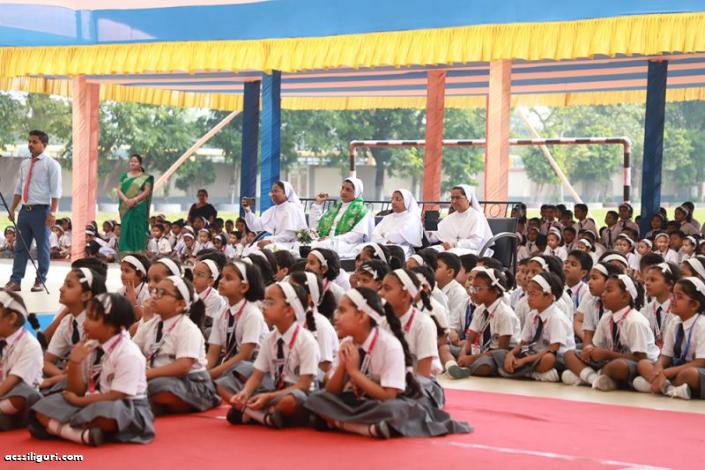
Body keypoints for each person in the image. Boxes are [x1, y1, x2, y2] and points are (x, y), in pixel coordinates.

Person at [303, 287, 471, 438]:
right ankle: (365, 427)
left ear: (361, 316)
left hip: (388, 401)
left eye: (342, 311)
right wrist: (342, 367)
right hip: (362, 401)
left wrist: (354, 373)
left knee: (395, 410)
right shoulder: (348, 343)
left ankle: (343, 423)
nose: (336, 316)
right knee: (316, 398)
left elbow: (389, 396)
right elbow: (331, 391)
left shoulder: (389, 345)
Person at [29, 294, 155, 445]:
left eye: (92, 318)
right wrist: (75, 363)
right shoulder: (89, 345)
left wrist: (79, 401)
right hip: (92, 400)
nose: (85, 323)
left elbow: (116, 395)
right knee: (42, 408)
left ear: (113, 326)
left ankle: (65, 429)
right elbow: (76, 390)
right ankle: (81, 434)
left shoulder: (128, 353)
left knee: (108, 414)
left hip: (124, 404)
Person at [226, 282, 319, 429]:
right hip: (275, 390)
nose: (264, 306)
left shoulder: (306, 341)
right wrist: (245, 393)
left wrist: (268, 397)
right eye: (264, 301)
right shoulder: (270, 338)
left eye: (270, 302)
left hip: (299, 394)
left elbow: (304, 385)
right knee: (224, 384)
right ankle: (268, 415)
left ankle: (255, 414)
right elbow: (256, 376)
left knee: (290, 401)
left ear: (289, 310)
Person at [132, 276, 220, 415]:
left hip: (191, 381)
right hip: (157, 377)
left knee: (160, 387)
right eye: (155, 291)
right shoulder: (151, 325)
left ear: (180, 304)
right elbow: (132, 351)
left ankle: (202, 399)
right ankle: (154, 405)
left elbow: (182, 367)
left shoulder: (187, 328)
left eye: (161, 293)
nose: (154, 296)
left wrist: (147, 374)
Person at [6, 130, 62, 292]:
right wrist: (12, 209)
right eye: (29, 141)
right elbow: (19, 189)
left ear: (44, 145)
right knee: (20, 247)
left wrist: (53, 213)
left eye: (35, 142)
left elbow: (56, 191)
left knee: (42, 246)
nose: (30, 144)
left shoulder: (51, 164)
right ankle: (15, 280)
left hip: (42, 211)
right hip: (24, 211)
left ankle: (40, 279)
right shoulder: (24, 164)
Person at [495, 272, 575, 383]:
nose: (529, 298)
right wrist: (511, 354)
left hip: (556, 357)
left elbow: (553, 349)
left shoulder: (556, 318)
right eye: (528, 294)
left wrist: (524, 360)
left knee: (548, 359)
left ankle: (527, 372)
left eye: (534, 295)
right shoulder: (532, 315)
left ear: (549, 296)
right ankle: (533, 373)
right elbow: (523, 343)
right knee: (500, 353)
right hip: (533, 354)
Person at [633, 277, 705, 399]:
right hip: (676, 369)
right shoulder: (674, 323)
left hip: (696, 369)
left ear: (694, 305)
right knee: (643, 364)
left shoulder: (702, 325)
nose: (672, 299)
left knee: (690, 374)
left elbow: (701, 362)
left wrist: (669, 372)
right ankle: (669, 388)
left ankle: (657, 385)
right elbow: (666, 356)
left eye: (679, 297)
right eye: (673, 295)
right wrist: (659, 366)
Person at [41, 268, 107, 395]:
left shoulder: (99, 326)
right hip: (73, 374)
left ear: (86, 295)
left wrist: (60, 379)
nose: (61, 289)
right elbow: (47, 361)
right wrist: (63, 376)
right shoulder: (68, 322)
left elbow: (95, 373)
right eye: (64, 284)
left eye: (69, 285)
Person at [208, 261, 268, 403]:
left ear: (243, 287)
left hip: (252, 364)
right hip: (230, 364)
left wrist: (211, 374)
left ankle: (239, 401)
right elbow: (213, 353)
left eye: (228, 278)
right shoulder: (222, 312)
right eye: (222, 277)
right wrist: (203, 372)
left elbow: (245, 355)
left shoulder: (252, 313)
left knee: (240, 370)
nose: (221, 281)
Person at [446, 267, 519, 378]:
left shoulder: (505, 314)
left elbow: (501, 350)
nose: (473, 292)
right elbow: (469, 340)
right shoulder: (480, 309)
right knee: (444, 348)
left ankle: (460, 366)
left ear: (495, 291)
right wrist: (463, 354)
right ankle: (455, 366)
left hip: (495, 355)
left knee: (485, 366)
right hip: (480, 351)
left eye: (478, 289)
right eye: (473, 288)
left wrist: (471, 358)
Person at [0, 290, 43, 431]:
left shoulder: (30, 345)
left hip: (13, 398)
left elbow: (13, 381)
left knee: (25, 394)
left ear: (12, 318)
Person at [310, 178, 374, 258]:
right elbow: (315, 227)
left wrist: (332, 239)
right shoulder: (335, 208)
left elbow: (356, 235)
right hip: (326, 241)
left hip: (348, 244)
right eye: (342, 188)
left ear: (356, 192)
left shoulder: (362, 211)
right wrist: (318, 203)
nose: (343, 192)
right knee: (304, 244)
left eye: (348, 190)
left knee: (322, 246)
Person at [242, 181, 307, 250]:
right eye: (272, 192)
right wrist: (247, 210)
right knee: (251, 249)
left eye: (276, 191)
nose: (272, 194)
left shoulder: (292, 208)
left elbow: (289, 235)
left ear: (285, 193)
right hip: (275, 242)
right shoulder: (272, 210)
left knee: (264, 249)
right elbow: (253, 226)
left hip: (290, 245)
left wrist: (270, 240)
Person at [431, 185, 493, 255]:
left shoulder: (477, 217)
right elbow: (433, 237)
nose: (454, 201)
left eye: (458, 198)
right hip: (450, 249)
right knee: (428, 251)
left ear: (468, 199)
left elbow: (476, 242)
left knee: (448, 254)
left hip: (472, 252)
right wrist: (428, 225)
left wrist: (455, 244)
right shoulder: (450, 217)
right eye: (452, 198)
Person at [117, 154, 153, 255]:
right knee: (126, 227)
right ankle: (125, 252)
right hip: (126, 207)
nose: (133, 163)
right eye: (131, 161)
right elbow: (119, 190)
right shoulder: (123, 176)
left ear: (140, 164)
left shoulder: (145, 177)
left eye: (135, 161)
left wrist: (135, 200)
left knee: (138, 228)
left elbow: (146, 191)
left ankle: (138, 251)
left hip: (138, 207)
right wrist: (126, 200)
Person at [371, 189, 423, 258]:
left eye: (398, 199)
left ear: (406, 201)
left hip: (402, 250)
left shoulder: (412, 218)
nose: (393, 202)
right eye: (392, 199)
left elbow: (399, 236)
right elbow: (374, 235)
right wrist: (386, 241)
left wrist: (384, 235)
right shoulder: (387, 217)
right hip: (382, 246)